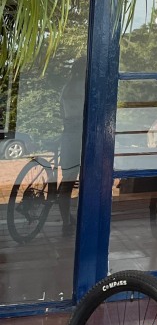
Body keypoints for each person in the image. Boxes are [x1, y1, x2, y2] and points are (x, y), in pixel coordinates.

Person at [58, 56, 86, 236]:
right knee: (87, 180)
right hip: (83, 136)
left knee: (67, 182)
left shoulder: (66, 88)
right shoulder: (87, 86)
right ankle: (82, 218)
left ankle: (66, 221)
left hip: (68, 136)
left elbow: (63, 113)